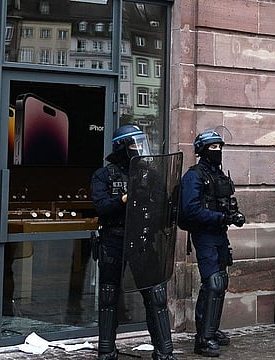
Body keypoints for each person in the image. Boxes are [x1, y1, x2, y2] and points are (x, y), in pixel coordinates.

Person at [91, 124, 177, 360]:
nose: (138, 150)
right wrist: (124, 199)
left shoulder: (150, 175)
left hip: (142, 241)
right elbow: (101, 206)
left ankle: (164, 352)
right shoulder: (104, 175)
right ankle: (107, 351)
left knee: (156, 295)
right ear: (121, 147)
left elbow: (163, 203)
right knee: (109, 296)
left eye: (140, 145)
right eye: (133, 145)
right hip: (114, 240)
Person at [179, 129, 245, 357]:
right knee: (213, 282)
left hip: (219, 233)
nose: (217, 151)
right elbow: (191, 210)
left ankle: (212, 329)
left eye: (219, 147)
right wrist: (221, 217)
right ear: (202, 150)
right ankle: (202, 339)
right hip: (204, 234)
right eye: (213, 147)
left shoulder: (219, 175)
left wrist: (233, 215)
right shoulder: (194, 176)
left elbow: (224, 203)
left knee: (220, 282)